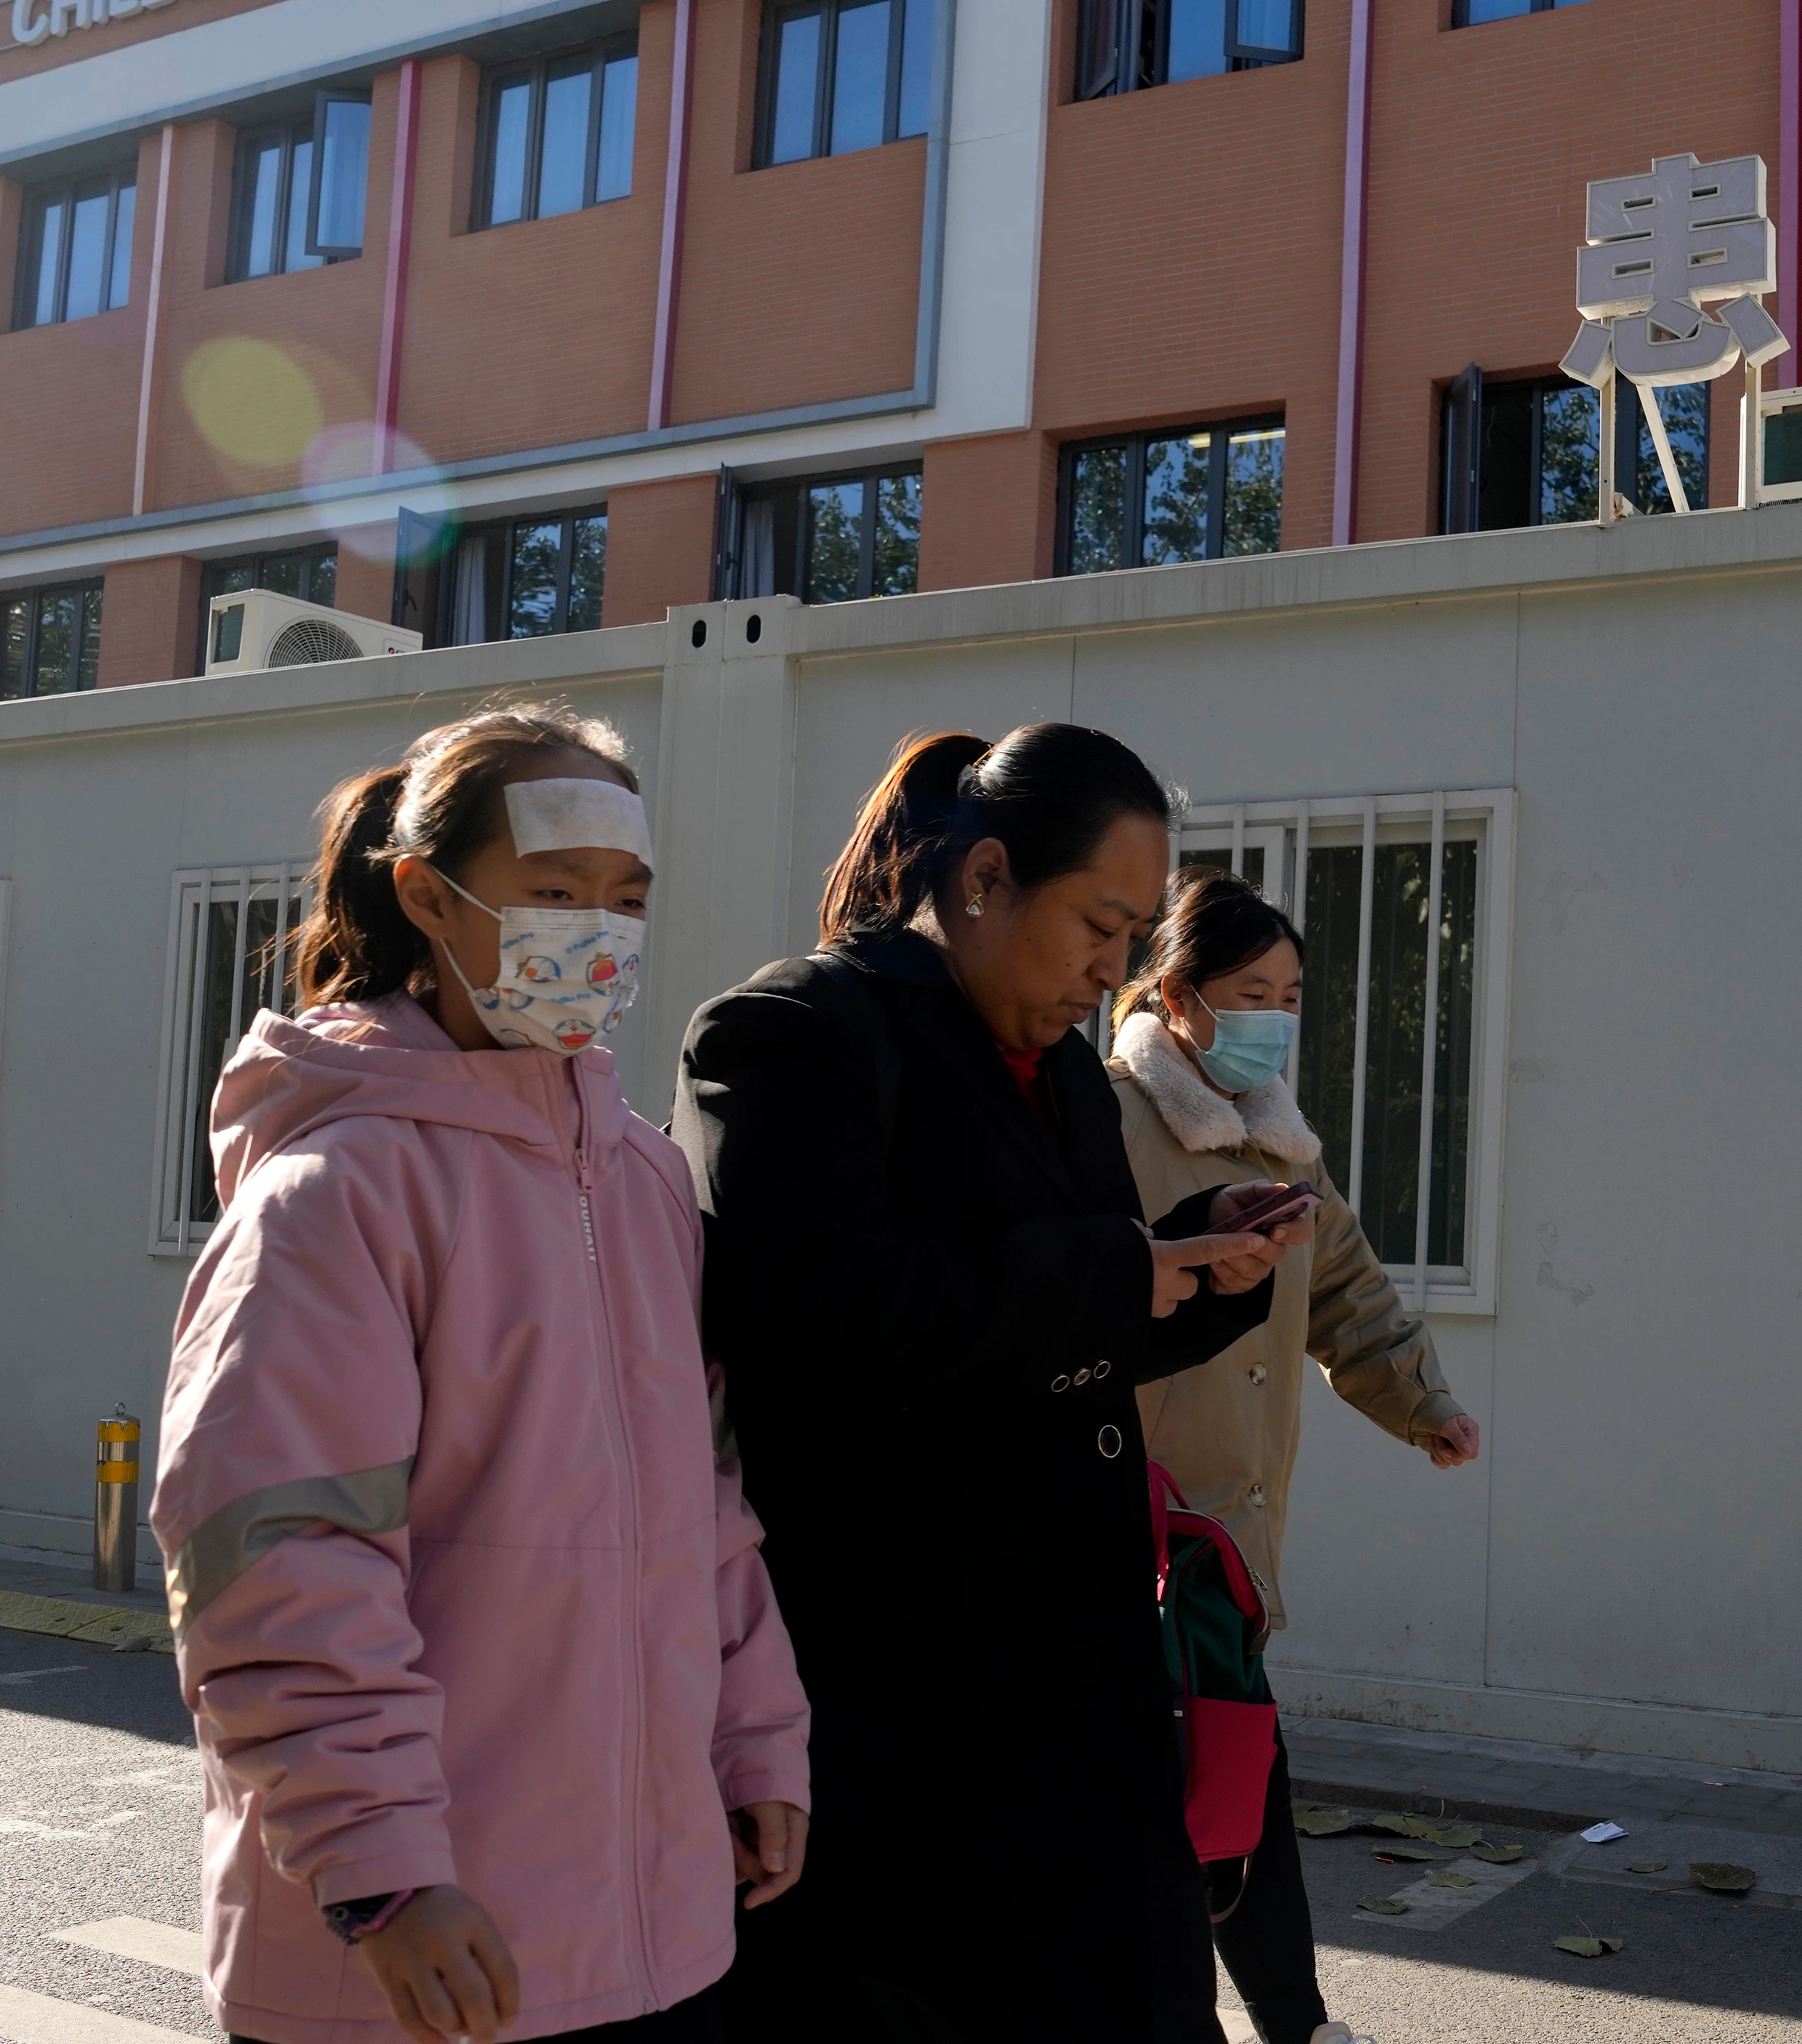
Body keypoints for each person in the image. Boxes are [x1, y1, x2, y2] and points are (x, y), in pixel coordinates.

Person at [155, 707, 809, 2044]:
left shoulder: (643, 1180)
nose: (600, 931)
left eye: (626, 899)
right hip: (416, 1953)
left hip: (650, 1934)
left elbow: (708, 1504)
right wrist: (382, 1874)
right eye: (555, 892)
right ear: (426, 897)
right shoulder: (334, 1191)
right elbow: (280, 1558)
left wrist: (752, 1739)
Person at [671, 725, 1314, 2042]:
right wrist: (1122, 1273)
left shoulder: (1065, 1068)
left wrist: (1208, 1264)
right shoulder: (792, 1033)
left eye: (1135, 933)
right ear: (983, 882)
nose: (1112, 968)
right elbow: (821, 1325)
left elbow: (1068, 1336)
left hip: (1086, 1705)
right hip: (894, 1725)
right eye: (1098, 921)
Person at [1107, 866, 1482, 2044]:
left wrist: (1423, 1402)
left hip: (1236, 1530)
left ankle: (1293, 2019)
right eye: (1249, 991)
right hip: (1143, 1526)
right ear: (1177, 994)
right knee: (1198, 1793)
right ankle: (1276, 2021)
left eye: (1290, 992)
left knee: (1235, 1775)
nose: (1273, 1013)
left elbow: (1350, 1293)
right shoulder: (1105, 1115)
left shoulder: (1283, 1141)